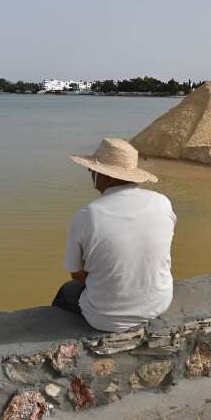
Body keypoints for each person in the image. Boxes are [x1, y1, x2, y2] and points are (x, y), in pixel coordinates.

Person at [52, 137, 176, 332]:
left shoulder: (87, 215)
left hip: (105, 319)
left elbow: (76, 273)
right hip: (159, 304)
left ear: (105, 175)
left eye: (92, 169)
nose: (90, 172)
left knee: (67, 291)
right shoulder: (162, 202)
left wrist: (108, 282)